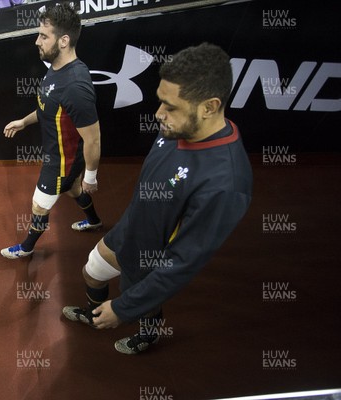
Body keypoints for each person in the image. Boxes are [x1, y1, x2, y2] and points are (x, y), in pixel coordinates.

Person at [62, 43, 253, 354]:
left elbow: (182, 263)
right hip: (128, 233)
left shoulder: (226, 183)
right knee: (90, 273)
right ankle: (95, 314)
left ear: (209, 106)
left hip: (153, 260)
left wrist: (123, 308)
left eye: (170, 106)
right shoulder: (176, 127)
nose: (158, 114)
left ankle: (149, 333)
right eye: (160, 101)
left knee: (146, 307)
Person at [0, 3, 102, 259]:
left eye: (44, 36)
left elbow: (93, 138)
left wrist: (91, 175)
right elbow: (50, 109)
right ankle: (94, 221)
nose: (37, 41)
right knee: (73, 190)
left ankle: (26, 247)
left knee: (39, 206)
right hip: (63, 156)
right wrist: (24, 122)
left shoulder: (75, 85)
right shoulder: (55, 69)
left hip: (61, 162)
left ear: (64, 40)